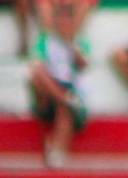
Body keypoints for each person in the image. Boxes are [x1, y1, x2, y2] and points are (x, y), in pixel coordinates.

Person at [30, 2, 89, 167]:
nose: (63, 24)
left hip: (72, 94)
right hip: (51, 95)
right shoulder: (46, 41)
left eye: (67, 20)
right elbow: (37, 69)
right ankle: (64, 100)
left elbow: (83, 65)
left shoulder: (79, 42)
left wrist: (73, 49)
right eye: (60, 20)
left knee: (66, 109)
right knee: (38, 74)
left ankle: (57, 151)